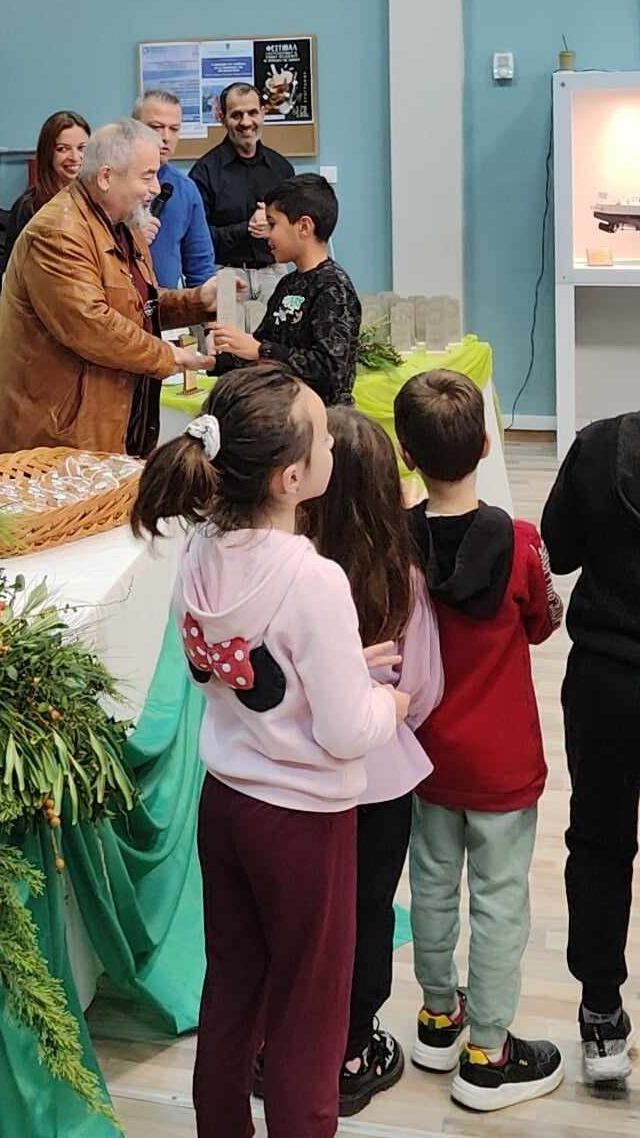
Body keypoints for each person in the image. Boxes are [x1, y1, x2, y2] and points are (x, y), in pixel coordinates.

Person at [131, 368, 406, 1138]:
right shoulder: (312, 578)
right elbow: (345, 731)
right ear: (291, 478)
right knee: (310, 1014)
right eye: (323, 438)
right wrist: (386, 705)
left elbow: (235, 667)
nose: (332, 446)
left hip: (225, 803)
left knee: (232, 991)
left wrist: (339, 667)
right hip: (304, 823)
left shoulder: (200, 549)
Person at [395, 370, 564, 1112]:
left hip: (425, 754)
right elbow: (542, 621)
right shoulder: (520, 542)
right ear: (489, 442)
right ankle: (489, 1052)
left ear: (406, 453)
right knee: (498, 900)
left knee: (431, 885)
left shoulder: (396, 542)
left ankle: (438, 1015)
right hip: (502, 761)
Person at [305, 408, 443, 1117]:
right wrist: (383, 713)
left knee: (305, 912)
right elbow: (423, 687)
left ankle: (289, 1043)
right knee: (367, 912)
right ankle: (354, 1048)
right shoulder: (400, 576)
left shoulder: (294, 571)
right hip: (379, 776)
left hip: (298, 775)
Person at [0, 118, 214, 458]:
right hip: (50, 436)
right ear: (105, 177)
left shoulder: (124, 223)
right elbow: (92, 325)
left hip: (104, 422)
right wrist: (166, 355)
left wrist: (197, 301)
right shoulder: (58, 233)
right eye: (147, 176)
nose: (156, 188)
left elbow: (137, 303)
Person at [541, 411, 640, 1088]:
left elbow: (560, 551)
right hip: (606, 674)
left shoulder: (600, 444)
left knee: (600, 846)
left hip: (606, 679)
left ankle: (601, 1016)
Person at [209, 174, 361, 406]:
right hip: (285, 411)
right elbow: (261, 345)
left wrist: (262, 350)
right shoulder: (287, 283)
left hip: (323, 417)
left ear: (304, 226)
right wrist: (211, 360)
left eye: (273, 224)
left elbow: (331, 369)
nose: (268, 234)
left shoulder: (333, 286)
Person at [189, 84, 293, 329]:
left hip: (274, 273)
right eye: (236, 115)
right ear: (222, 118)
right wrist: (246, 229)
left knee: (278, 346)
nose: (246, 122)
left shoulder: (282, 169)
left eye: (252, 113)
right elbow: (198, 239)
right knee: (226, 348)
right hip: (225, 275)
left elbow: (296, 228)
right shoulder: (204, 172)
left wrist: (273, 228)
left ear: (262, 114)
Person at [132, 89, 215, 289]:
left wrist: (208, 304)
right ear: (133, 128)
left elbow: (200, 266)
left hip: (168, 303)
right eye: (156, 127)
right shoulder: (110, 182)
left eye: (174, 129)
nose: (166, 137)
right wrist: (131, 237)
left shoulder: (185, 189)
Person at [4, 110, 90, 254]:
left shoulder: (98, 202)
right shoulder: (28, 208)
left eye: (82, 148)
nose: (75, 157)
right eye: (62, 149)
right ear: (48, 154)